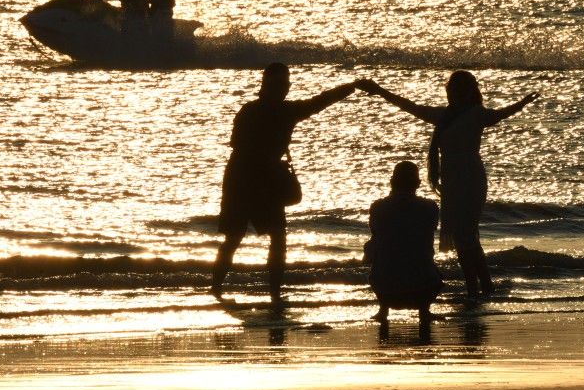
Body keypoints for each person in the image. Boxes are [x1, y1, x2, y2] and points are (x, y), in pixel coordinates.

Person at [359, 72, 539, 301]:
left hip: (471, 179)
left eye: (456, 88)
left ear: (467, 90)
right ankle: (486, 286)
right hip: (452, 181)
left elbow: (499, 115)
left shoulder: (476, 114)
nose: (452, 92)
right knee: (468, 236)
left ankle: (474, 290)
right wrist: (381, 91)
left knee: (465, 235)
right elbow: (409, 106)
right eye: (450, 88)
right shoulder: (442, 116)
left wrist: (522, 103)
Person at [212, 64, 366, 305]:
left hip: (249, 178)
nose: (284, 89)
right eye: (280, 85)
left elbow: (321, 101)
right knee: (238, 237)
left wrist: (351, 87)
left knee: (272, 237)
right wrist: (351, 87)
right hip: (245, 180)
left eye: (286, 85)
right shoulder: (265, 112)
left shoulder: (265, 110)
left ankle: (269, 292)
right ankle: (221, 288)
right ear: (266, 86)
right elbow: (240, 147)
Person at [364, 161, 443, 324]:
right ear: (418, 184)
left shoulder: (378, 207)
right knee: (422, 253)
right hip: (422, 289)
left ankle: (383, 309)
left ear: (391, 182)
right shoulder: (430, 207)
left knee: (375, 248)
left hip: (387, 290)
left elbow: (376, 236)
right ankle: (424, 310)